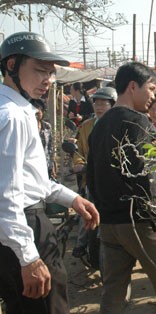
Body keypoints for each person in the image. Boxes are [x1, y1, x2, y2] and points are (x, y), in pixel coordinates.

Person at [0, 31, 99, 314]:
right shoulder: (13, 116)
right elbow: (7, 195)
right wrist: (28, 257)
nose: (48, 80)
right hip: (24, 225)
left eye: (51, 72)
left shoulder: (15, 108)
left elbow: (29, 177)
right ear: (11, 66)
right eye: (39, 70)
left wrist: (71, 199)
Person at [86, 62, 156, 314]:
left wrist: (102, 212)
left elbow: (91, 176)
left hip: (109, 225)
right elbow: (142, 178)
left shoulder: (100, 124)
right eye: (150, 88)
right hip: (137, 222)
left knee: (112, 292)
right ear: (133, 86)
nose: (152, 97)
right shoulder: (138, 123)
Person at [72, 86, 117, 259]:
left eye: (103, 103)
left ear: (112, 105)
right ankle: (81, 243)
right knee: (87, 208)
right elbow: (79, 151)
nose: (99, 107)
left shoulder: (117, 125)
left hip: (113, 179)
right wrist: (78, 164)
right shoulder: (86, 126)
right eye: (96, 103)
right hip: (91, 177)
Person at [32, 98, 57, 179]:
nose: (37, 113)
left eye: (39, 111)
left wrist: (52, 163)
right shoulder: (27, 126)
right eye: (34, 110)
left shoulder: (47, 127)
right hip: (31, 164)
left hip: (45, 163)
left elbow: (50, 146)